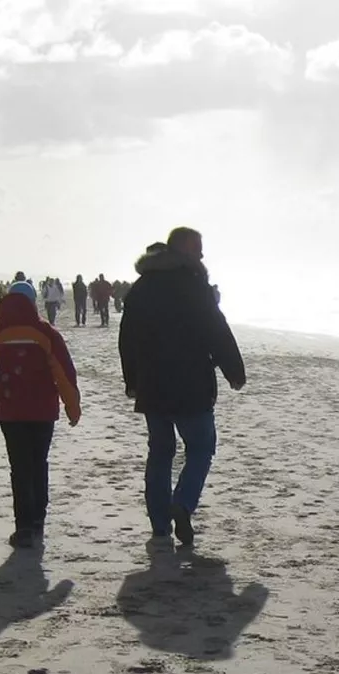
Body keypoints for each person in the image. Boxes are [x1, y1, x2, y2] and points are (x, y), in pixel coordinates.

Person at [119, 227, 245, 547]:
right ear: (183, 250)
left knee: (160, 454)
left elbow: (127, 339)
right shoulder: (193, 285)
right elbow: (217, 330)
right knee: (201, 448)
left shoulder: (141, 288)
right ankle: (183, 503)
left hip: (153, 387)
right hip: (192, 386)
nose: (201, 254)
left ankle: (160, 525)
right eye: (197, 248)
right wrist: (234, 371)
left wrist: (132, 381)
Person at [0, 281, 83, 550]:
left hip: (10, 410)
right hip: (43, 411)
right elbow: (64, 373)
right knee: (39, 463)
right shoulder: (45, 333)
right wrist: (72, 407)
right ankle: (38, 518)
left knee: (19, 467)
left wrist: (1, 386)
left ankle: (24, 527)